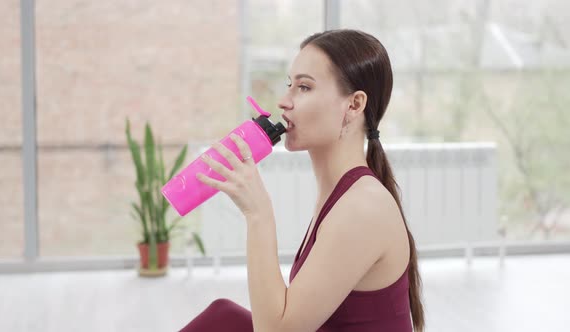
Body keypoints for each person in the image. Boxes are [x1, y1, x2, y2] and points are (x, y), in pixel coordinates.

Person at [181, 29, 424, 332]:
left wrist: (258, 214)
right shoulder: (343, 194)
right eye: (289, 85)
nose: (284, 102)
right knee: (222, 317)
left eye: (304, 87)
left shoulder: (363, 207)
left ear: (354, 105)